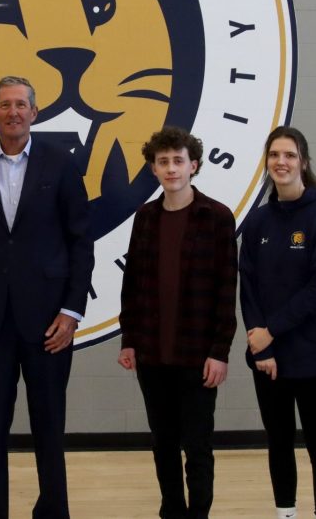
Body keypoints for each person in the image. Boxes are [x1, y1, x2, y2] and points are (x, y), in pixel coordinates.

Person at [0, 76, 95, 519]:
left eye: (21, 105)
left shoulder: (62, 164)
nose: (13, 112)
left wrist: (71, 311)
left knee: (49, 425)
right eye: (5, 105)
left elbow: (80, 241)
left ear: (35, 112)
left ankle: (52, 512)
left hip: (49, 321)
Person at [117, 127, 237, 519]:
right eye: (163, 162)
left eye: (178, 161)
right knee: (163, 442)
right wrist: (129, 339)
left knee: (197, 445)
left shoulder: (217, 217)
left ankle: (198, 513)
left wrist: (220, 352)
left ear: (194, 166)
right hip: (152, 353)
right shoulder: (145, 218)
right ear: (153, 168)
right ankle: (171, 509)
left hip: (197, 355)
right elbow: (132, 282)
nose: (171, 169)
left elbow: (226, 290)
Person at [238, 126, 316, 519]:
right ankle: (286, 513)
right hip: (269, 358)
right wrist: (261, 344)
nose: (280, 162)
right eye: (274, 155)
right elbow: (248, 286)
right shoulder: (258, 221)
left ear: (304, 162)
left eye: (289, 155)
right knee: (279, 442)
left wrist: (271, 330)